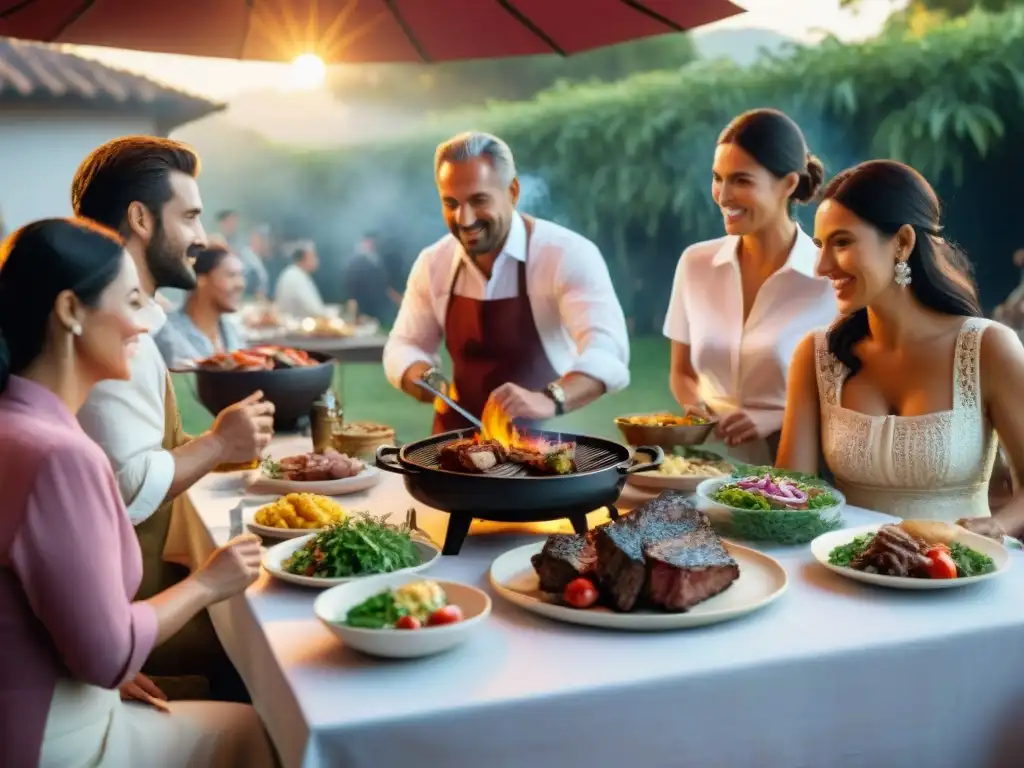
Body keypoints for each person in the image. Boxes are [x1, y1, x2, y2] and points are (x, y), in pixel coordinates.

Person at [0, 218, 276, 768]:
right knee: (259, 731)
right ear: (70, 311)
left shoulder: (18, 424)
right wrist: (208, 582)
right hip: (46, 741)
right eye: (131, 301)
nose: (144, 326)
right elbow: (108, 656)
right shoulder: (59, 455)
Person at [71, 136, 274, 701]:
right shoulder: (117, 333)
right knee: (270, 651)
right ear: (140, 218)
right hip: (124, 616)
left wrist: (225, 444)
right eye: (189, 216)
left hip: (121, 603)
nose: (202, 239)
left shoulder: (131, 317)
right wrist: (215, 443)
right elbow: (128, 488)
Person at [776, 159, 1024, 530]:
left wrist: (998, 526)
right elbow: (789, 496)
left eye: (842, 242)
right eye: (820, 245)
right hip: (846, 574)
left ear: (903, 242)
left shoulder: (987, 348)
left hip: (959, 576)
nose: (822, 266)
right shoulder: (816, 355)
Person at [384, 131, 629, 433]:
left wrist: (550, 398)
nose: (464, 218)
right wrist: (425, 378)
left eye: (478, 200)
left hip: (546, 444)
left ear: (512, 192)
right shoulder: (433, 262)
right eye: (451, 203)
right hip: (454, 442)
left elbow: (608, 351)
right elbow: (405, 344)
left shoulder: (567, 255)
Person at [663, 109, 837, 465]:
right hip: (703, 462)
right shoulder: (695, 263)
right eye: (717, 178)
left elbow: (849, 396)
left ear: (788, 184)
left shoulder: (830, 280)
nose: (723, 196)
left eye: (741, 181)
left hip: (794, 467)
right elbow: (682, 372)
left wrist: (776, 416)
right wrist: (697, 410)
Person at [154, 243, 246, 368]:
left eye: (241, 275)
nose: (240, 284)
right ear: (201, 280)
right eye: (231, 275)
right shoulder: (168, 335)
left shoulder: (232, 332)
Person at [274, 239, 327, 318]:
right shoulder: (296, 277)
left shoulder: (292, 273)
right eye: (314, 256)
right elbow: (314, 310)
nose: (317, 260)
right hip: (297, 327)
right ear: (306, 256)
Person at [239, 224, 272, 299]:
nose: (265, 243)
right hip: (248, 301)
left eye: (266, 240)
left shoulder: (257, 258)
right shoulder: (246, 256)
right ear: (253, 238)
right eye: (262, 239)